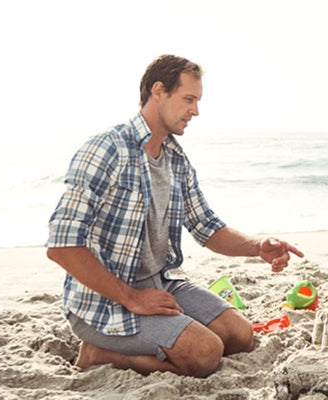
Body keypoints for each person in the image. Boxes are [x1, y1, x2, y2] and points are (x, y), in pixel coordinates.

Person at [45, 54, 304, 378]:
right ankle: (99, 352)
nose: (195, 111)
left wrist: (258, 246)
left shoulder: (176, 159)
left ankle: (157, 336)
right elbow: (61, 246)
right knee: (206, 353)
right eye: (188, 99)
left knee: (240, 335)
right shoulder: (107, 149)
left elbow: (205, 227)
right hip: (102, 302)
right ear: (158, 92)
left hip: (160, 285)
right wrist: (132, 297)